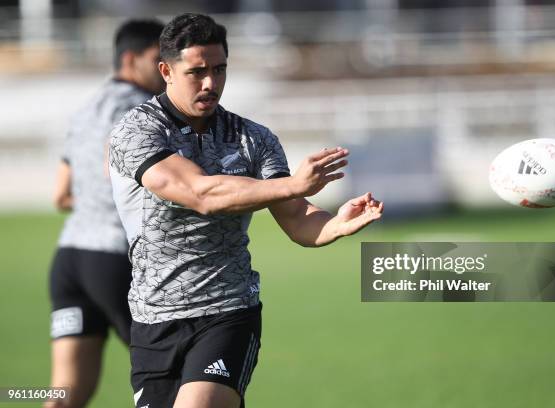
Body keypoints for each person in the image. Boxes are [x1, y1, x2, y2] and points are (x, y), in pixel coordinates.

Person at [108, 13, 383, 408]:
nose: (210, 83)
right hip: (154, 319)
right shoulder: (137, 131)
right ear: (166, 70)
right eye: (197, 71)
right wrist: (293, 184)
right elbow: (198, 192)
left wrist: (335, 223)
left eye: (219, 70)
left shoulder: (253, 138)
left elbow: (297, 218)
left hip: (228, 311)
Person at [46, 19, 165, 408]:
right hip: (115, 260)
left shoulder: (86, 107)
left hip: (70, 260)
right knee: (175, 375)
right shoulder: (138, 109)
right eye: (158, 59)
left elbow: (61, 195)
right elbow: (112, 171)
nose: (166, 69)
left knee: (65, 393)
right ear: (131, 59)